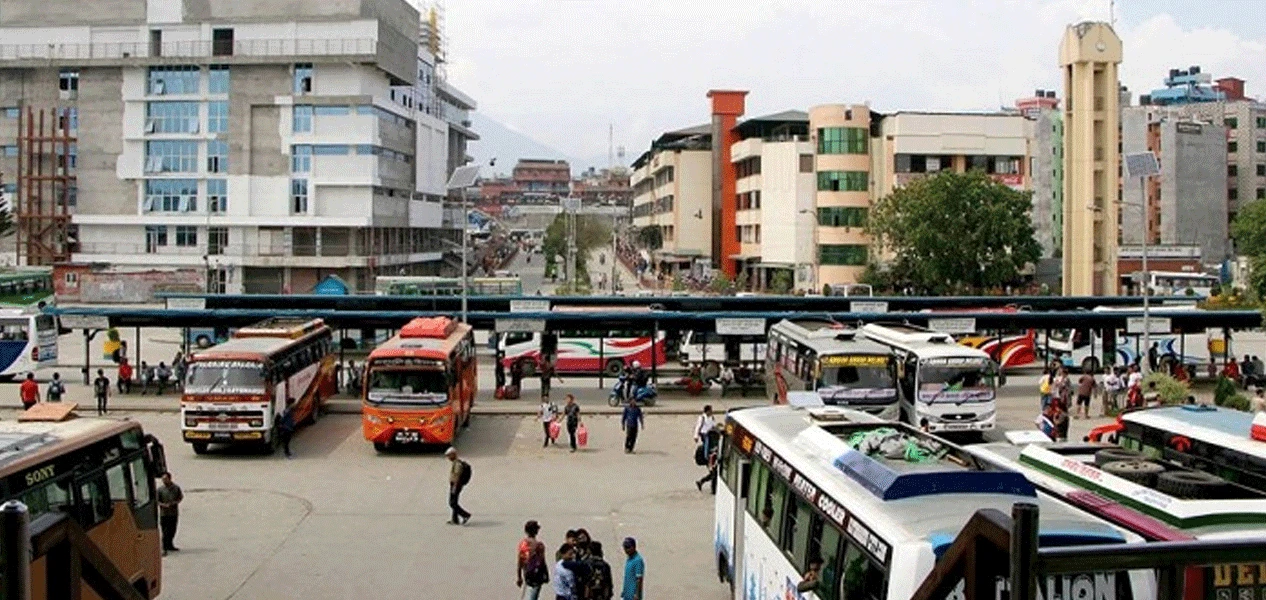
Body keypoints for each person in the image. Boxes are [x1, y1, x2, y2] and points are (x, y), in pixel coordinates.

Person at [517, 520, 549, 600]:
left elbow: (519, 561)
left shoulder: (523, 544)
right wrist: (546, 574)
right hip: (537, 573)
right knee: (534, 595)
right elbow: (542, 561)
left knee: (527, 592)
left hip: (527, 572)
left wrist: (519, 577)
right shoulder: (539, 545)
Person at [157, 472, 184, 555]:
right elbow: (157, 500)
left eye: (165, 479)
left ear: (170, 478)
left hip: (173, 513)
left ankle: (170, 545)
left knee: (172, 530)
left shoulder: (176, 488)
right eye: (163, 479)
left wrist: (175, 503)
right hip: (164, 514)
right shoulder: (160, 490)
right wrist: (163, 505)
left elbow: (180, 497)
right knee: (165, 531)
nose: (164, 481)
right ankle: (164, 547)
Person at [445, 447, 471, 525]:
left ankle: (465, 515)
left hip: (456, 485)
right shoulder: (455, 463)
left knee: (452, 503)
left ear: (453, 455)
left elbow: (457, 476)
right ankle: (455, 519)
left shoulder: (457, 464)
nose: (448, 458)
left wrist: (454, 487)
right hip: (455, 485)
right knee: (454, 502)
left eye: (449, 455)